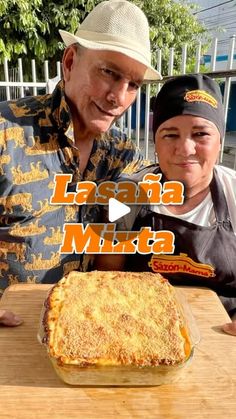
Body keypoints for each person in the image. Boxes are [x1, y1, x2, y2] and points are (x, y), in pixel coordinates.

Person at [0, 0, 161, 326]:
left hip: (84, 330)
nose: (119, 97)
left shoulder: (121, 154)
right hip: (11, 338)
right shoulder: (6, 132)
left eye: (133, 85)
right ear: (71, 61)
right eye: (109, 72)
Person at [95, 74, 236, 336]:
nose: (185, 149)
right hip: (142, 332)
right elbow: (107, 280)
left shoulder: (233, 192)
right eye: (170, 135)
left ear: (220, 140)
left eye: (201, 133)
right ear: (155, 142)